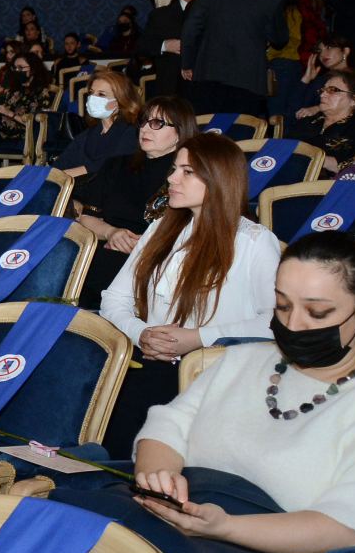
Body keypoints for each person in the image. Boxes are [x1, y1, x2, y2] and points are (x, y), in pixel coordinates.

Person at [116, 230, 355, 553]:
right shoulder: (242, 360)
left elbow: (345, 527)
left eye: (317, 312)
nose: (293, 324)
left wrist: (224, 528)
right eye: (282, 305)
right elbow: (167, 426)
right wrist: (158, 476)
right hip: (164, 544)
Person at [98, 133, 281, 454]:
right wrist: (142, 333)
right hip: (147, 361)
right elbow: (114, 298)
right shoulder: (160, 228)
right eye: (174, 169)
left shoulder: (254, 240)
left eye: (187, 172)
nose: (171, 178)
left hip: (212, 374)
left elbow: (275, 320)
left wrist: (200, 337)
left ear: (218, 178)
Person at [74, 96, 199, 308]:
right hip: (106, 244)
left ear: (180, 132)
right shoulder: (117, 165)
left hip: (157, 256)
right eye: (143, 121)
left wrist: (143, 243)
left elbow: (193, 228)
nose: (145, 129)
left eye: (157, 123)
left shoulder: (189, 174)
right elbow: (87, 217)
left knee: (85, 268)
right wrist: (112, 232)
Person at [180, 0, 288, 115]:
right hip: (248, 78)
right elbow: (279, 39)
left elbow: (191, 27)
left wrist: (188, 63)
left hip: (209, 72)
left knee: (207, 129)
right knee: (242, 132)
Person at [267, 0, 327, 123]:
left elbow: (286, 36)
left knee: (277, 115)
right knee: (292, 110)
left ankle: (277, 148)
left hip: (284, 59)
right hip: (302, 58)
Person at [288, 68, 355, 174]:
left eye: (332, 90)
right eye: (322, 90)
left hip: (324, 186)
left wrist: (315, 159)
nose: (322, 95)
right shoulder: (307, 122)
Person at [53, 67, 140, 179]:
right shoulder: (90, 133)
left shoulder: (130, 132)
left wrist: (62, 176)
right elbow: (62, 163)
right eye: (91, 93)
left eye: (101, 94)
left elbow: (104, 167)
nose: (93, 98)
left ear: (120, 100)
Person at [0, 52, 55, 170]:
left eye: (21, 68)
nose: (17, 71)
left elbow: (37, 122)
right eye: (15, 68)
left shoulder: (42, 91)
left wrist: (9, 114)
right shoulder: (15, 89)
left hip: (26, 131)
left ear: (33, 69)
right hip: (4, 128)